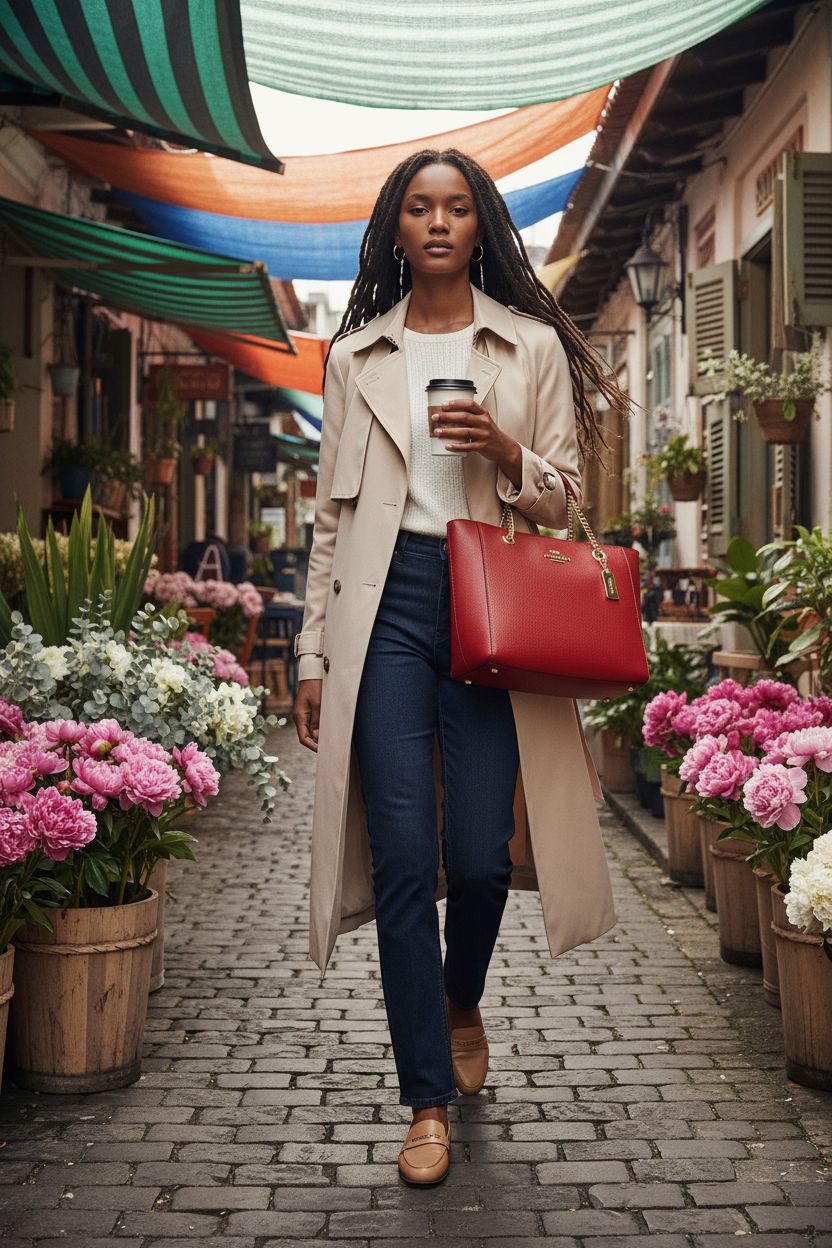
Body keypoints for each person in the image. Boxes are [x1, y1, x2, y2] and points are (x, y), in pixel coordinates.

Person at [292, 147, 630, 1186]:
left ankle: (460, 994)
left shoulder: (524, 346)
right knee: (402, 856)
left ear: (480, 225)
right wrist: (310, 651)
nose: (436, 223)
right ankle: (425, 1100)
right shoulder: (353, 358)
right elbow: (330, 520)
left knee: (479, 857)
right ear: (395, 229)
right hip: (384, 608)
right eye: (417, 209)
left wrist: (502, 451)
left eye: (454, 208)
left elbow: (570, 500)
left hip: (492, 609)